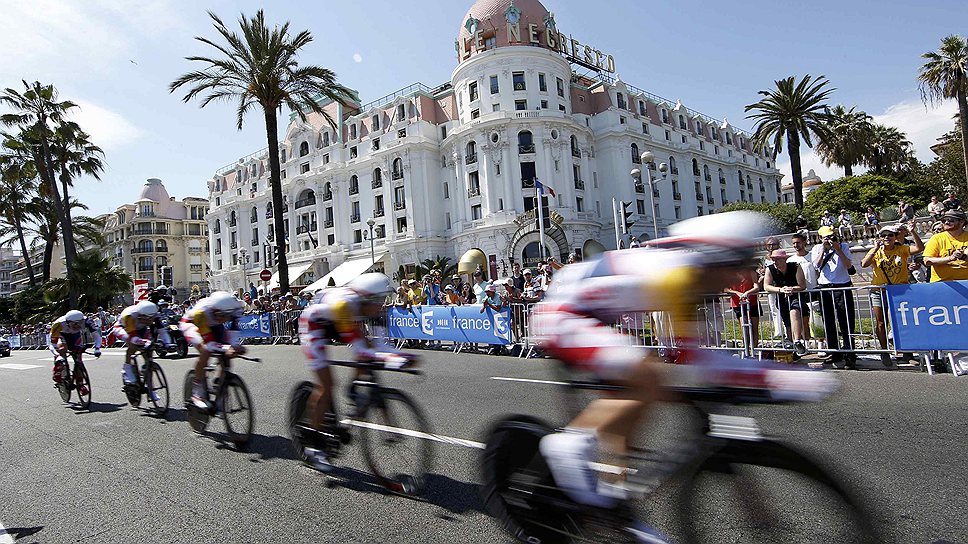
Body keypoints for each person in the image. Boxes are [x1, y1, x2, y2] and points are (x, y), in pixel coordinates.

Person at [532, 211, 830, 513]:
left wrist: (776, 377)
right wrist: (787, 378)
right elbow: (705, 363)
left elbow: (698, 356)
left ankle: (613, 501)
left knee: (636, 393)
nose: (739, 276)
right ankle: (569, 445)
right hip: (563, 315)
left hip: (589, 312)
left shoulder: (691, 277)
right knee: (648, 378)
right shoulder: (677, 278)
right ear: (713, 259)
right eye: (735, 266)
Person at [297, 273, 413, 471]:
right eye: (380, 301)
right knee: (327, 385)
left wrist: (402, 356)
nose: (382, 305)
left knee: (368, 348)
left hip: (339, 323)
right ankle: (313, 446)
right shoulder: (345, 305)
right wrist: (394, 359)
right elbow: (362, 349)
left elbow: (381, 345)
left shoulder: (369, 308)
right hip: (315, 325)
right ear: (367, 299)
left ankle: (353, 388)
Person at [861, 224, 924, 366]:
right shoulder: (876, 251)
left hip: (899, 291)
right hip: (879, 291)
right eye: (883, 236)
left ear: (895, 237)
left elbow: (920, 248)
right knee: (881, 322)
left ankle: (907, 352)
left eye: (890, 235)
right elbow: (864, 264)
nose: (887, 238)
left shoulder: (901, 250)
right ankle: (884, 352)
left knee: (902, 321)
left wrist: (913, 231)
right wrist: (875, 249)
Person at [181, 292, 247, 409]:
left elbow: (233, 331)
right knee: (206, 351)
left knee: (227, 356)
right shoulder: (202, 312)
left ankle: (219, 384)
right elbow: (210, 344)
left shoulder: (235, 308)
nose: (223, 319)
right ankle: (198, 390)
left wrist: (235, 345)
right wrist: (227, 348)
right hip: (193, 324)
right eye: (220, 315)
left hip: (213, 325)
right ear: (213, 310)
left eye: (226, 316)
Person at [811, 226, 857, 368]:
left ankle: (850, 352)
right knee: (828, 320)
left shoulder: (843, 246)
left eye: (831, 236)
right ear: (820, 238)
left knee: (846, 320)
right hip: (825, 287)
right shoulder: (817, 249)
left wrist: (838, 249)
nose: (829, 239)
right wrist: (823, 251)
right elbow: (816, 266)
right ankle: (834, 351)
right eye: (826, 237)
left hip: (841, 286)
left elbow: (849, 266)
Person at [762, 249, 807, 355]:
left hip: (795, 295)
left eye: (777, 259)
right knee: (786, 320)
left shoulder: (795, 266)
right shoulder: (770, 269)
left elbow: (802, 285)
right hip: (781, 297)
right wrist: (781, 290)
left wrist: (792, 288)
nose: (775, 262)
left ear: (784, 259)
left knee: (794, 311)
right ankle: (791, 343)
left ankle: (797, 341)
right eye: (773, 259)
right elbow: (766, 286)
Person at [112, 301, 165, 388]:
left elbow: (162, 331)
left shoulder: (153, 314)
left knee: (149, 351)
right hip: (124, 328)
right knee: (133, 345)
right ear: (142, 315)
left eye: (152, 318)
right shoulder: (129, 316)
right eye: (149, 318)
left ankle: (149, 382)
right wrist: (142, 342)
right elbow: (134, 338)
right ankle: (126, 370)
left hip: (140, 328)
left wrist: (168, 344)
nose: (151, 321)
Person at [48, 310, 102, 394]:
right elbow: (52, 344)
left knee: (78, 360)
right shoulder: (58, 324)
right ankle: (58, 368)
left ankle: (80, 384)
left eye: (80, 323)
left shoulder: (87, 321)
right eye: (74, 324)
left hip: (75, 336)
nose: (77, 326)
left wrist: (97, 348)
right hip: (61, 335)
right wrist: (57, 355)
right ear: (67, 322)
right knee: (62, 350)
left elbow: (97, 336)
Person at [787, 232, 819, 346]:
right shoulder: (790, 260)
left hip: (813, 290)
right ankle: (805, 342)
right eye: (794, 243)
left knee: (816, 319)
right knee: (803, 318)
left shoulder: (812, 256)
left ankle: (819, 342)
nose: (796, 245)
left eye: (798, 243)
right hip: (800, 293)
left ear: (804, 242)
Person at [922, 209, 968, 282]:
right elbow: (927, 261)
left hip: (965, 282)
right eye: (944, 220)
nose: (946, 222)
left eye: (950, 220)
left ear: (961, 222)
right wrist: (950, 258)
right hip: (941, 283)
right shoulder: (936, 238)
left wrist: (963, 256)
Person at [725, 267, 761, 351]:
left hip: (752, 302)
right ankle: (746, 349)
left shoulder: (751, 272)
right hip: (738, 304)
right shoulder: (730, 274)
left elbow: (756, 286)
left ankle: (754, 349)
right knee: (744, 327)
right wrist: (736, 292)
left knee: (754, 328)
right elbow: (725, 289)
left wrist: (747, 293)